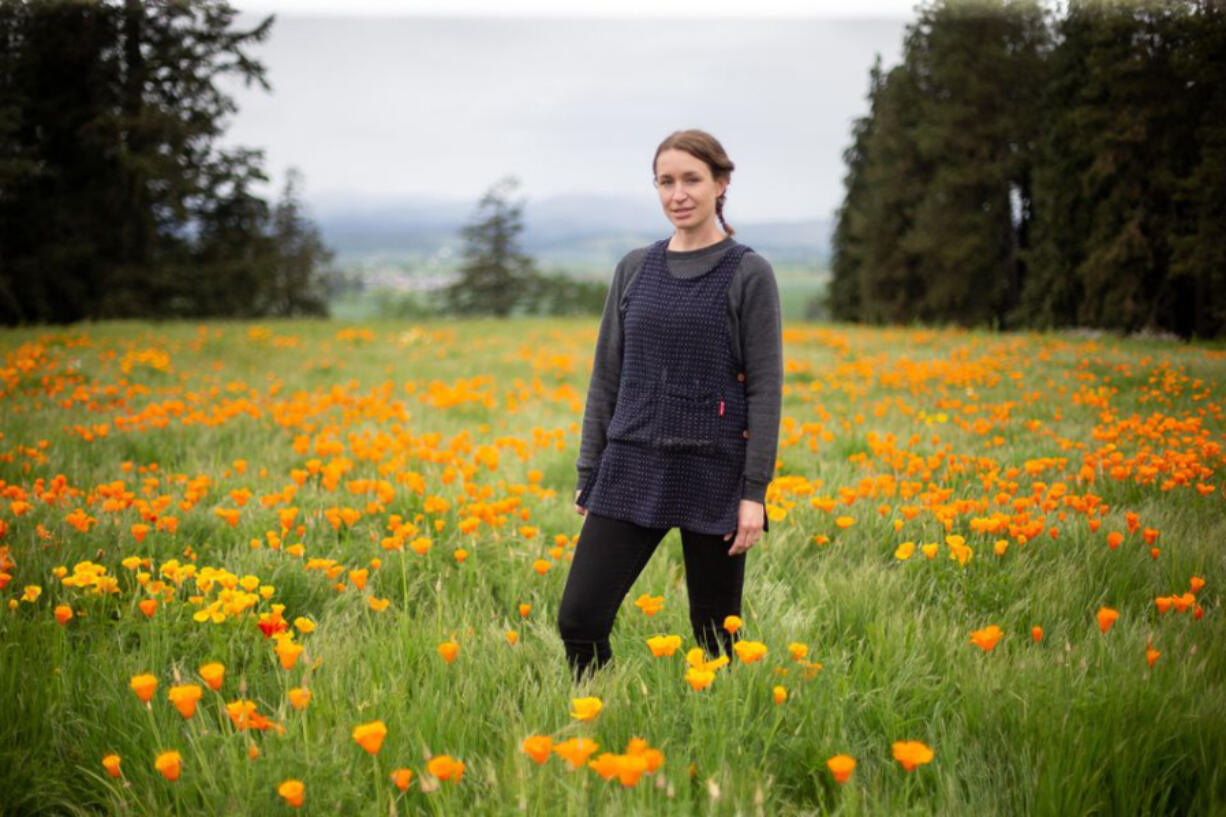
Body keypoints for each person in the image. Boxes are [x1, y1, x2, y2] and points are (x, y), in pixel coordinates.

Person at [556, 129, 783, 682]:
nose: (678, 193)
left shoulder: (749, 273)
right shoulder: (634, 268)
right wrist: (590, 469)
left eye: (692, 179)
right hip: (630, 466)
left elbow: (765, 390)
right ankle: (598, 714)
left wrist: (753, 494)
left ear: (721, 184)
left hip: (713, 471)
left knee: (715, 637)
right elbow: (606, 376)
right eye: (666, 181)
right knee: (579, 618)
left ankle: (716, 740)